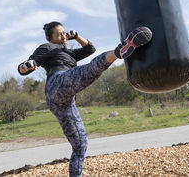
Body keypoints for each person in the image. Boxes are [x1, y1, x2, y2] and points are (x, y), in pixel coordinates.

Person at [17, 21, 152, 177]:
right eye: (59, 34)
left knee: (80, 145)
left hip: (65, 101)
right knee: (89, 71)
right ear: (49, 38)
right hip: (57, 84)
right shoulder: (47, 47)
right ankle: (118, 52)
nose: (63, 36)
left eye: (64, 32)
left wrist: (76, 36)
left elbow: (90, 49)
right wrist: (27, 66)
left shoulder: (71, 53)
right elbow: (23, 68)